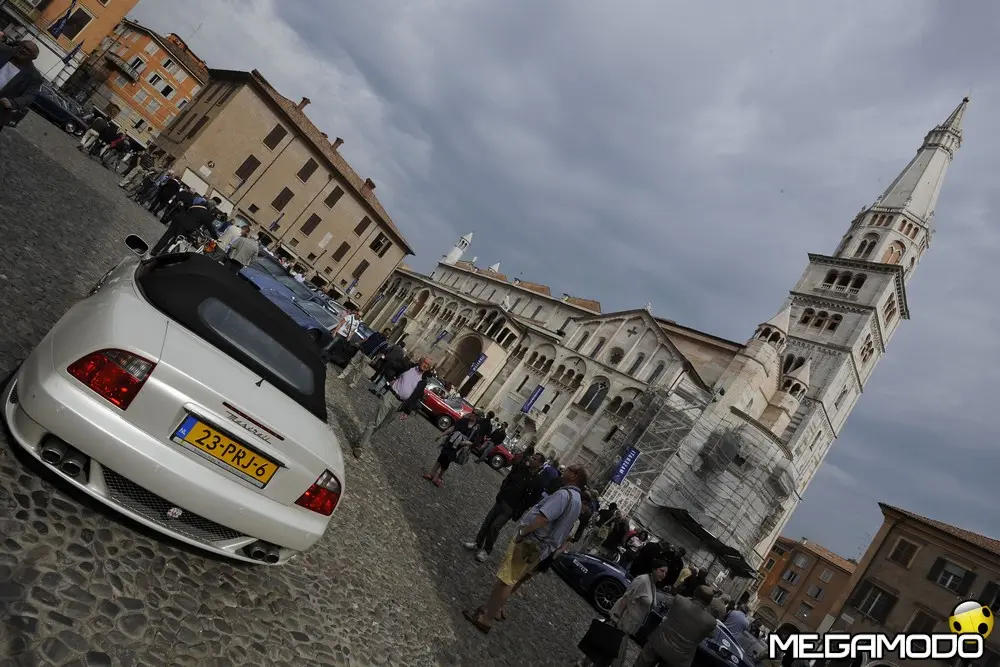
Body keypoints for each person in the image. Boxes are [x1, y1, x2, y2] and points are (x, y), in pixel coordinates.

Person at [463, 465, 588, 634]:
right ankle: (487, 609)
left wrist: (523, 532)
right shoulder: (577, 501)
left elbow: (544, 518)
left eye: (569, 469)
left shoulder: (564, 495)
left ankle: (486, 619)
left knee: (506, 580)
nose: (564, 471)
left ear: (574, 476)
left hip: (531, 541)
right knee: (509, 578)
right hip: (541, 546)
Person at [580, 560, 672, 667]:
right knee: (607, 647)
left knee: (606, 647)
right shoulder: (642, 580)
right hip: (621, 621)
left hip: (630, 625)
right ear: (654, 569)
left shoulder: (653, 586)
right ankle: (584, 663)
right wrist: (616, 617)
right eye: (661, 571)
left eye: (665, 573)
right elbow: (626, 597)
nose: (663, 574)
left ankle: (584, 663)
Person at [463, 452, 545, 561]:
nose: (531, 459)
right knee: (487, 522)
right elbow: (508, 478)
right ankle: (477, 543)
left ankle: (486, 550)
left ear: (540, 464)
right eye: (532, 457)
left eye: (534, 459)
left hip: (511, 508)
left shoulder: (538, 481)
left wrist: (519, 510)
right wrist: (502, 491)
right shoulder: (521, 468)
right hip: (502, 500)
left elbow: (532, 500)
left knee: (495, 527)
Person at [354, 357, 432, 459]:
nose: (426, 365)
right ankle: (360, 447)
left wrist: (407, 411)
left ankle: (361, 440)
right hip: (390, 396)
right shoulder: (408, 366)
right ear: (420, 361)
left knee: (381, 425)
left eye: (428, 365)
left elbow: (416, 396)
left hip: (399, 405)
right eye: (425, 363)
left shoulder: (423, 380)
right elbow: (390, 365)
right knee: (375, 421)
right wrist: (390, 379)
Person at [632, 585, 718, 667]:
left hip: (658, 642)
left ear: (695, 593)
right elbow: (711, 635)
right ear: (709, 603)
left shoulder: (679, 600)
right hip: (679, 658)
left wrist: (689, 599)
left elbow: (666, 603)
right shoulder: (711, 621)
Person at [422, 411, 478, 487]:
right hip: (450, 441)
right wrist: (441, 435)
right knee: (441, 456)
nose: (472, 414)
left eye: (475, 414)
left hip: (459, 447)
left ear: (477, 417)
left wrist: (465, 443)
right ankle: (432, 474)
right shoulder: (463, 420)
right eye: (472, 412)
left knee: (447, 460)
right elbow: (452, 428)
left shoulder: (475, 428)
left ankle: (440, 477)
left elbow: (473, 442)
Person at [150, 197, 221, 255]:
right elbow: (210, 227)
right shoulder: (207, 214)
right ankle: (163, 255)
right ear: (211, 207)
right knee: (174, 242)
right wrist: (216, 238)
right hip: (185, 227)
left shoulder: (196, 205)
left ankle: (155, 251)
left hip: (178, 220)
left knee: (166, 236)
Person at [0, 39, 41, 133]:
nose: (24, 50)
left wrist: (13, 103)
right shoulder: (3, 51)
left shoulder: (34, 76)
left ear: (33, 57)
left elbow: (29, 96)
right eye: (23, 46)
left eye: (28, 51)